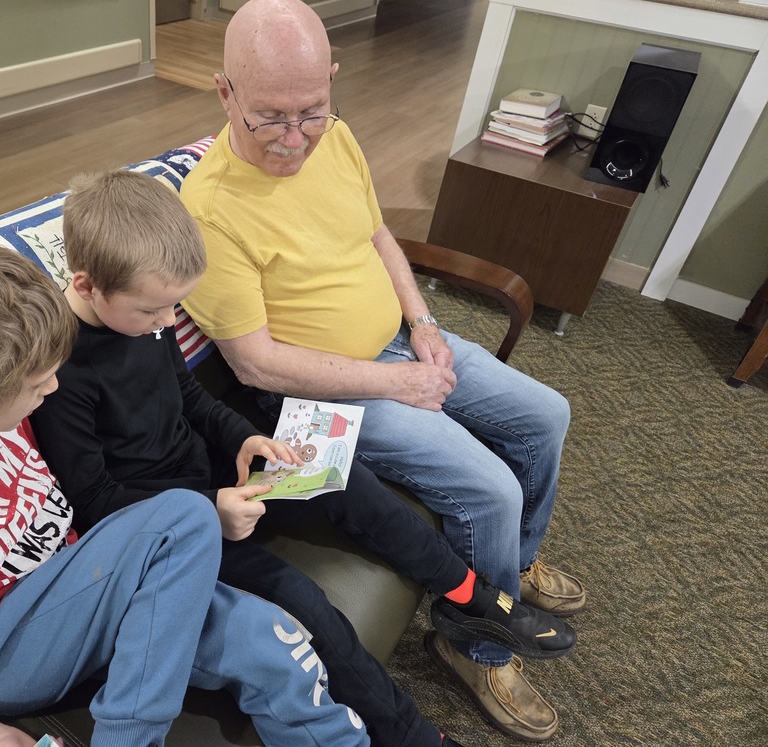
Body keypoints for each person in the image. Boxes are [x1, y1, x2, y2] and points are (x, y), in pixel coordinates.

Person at [29, 170, 576, 747]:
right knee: (302, 603)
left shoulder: (146, 311)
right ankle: (412, 736)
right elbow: (96, 502)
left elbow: (188, 396)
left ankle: (470, 595)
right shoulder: (60, 373)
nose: (168, 323)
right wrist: (211, 509)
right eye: (154, 311)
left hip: (216, 479)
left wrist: (245, 438)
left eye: (174, 307)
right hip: (172, 528)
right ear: (86, 285)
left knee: (346, 481)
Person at [176, 0, 588, 743]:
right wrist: (401, 382)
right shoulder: (207, 209)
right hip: (321, 393)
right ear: (225, 92)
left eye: (312, 111)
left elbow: (377, 237)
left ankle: (513, 569)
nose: (295, 139)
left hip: (400, 342)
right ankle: (476, 645)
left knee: (547, 415)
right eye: (270, 118)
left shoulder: (335, 137)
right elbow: (256, 362)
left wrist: (423, 324)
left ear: (332, 81)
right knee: (492, 488)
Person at [0, 238, 374, 747]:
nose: (54, 387)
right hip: (0, 649)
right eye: (37, 384)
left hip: (87, 584)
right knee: (185, 516)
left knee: (271, 640)